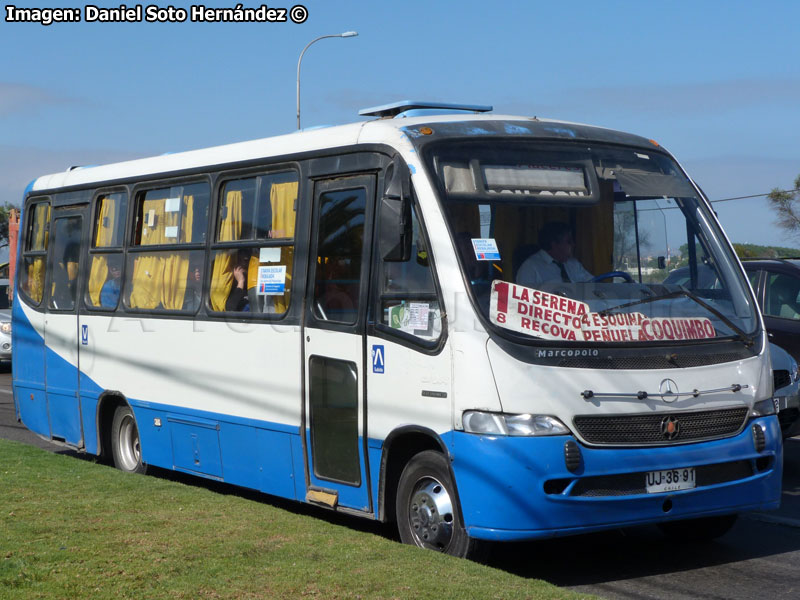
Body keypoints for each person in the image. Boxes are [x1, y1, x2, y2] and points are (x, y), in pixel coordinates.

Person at [516, 221, 592, 287]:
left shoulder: (574, 265)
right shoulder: (530, 267)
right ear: (554, 244)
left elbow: (593, 284)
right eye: (569, 241)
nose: (573, 244)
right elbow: (524, 299)